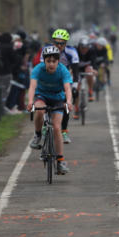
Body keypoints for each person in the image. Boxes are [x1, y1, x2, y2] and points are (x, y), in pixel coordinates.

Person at [27, 46, 73, 175]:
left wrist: (68, 102)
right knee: (40, 110)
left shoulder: (63, 71)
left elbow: (67, 88)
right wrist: (30, 101)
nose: (51, 64)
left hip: (58, 98)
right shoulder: (38, 69)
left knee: (57, 127)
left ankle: (60, 161)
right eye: (48, 61)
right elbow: (32, 87)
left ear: (58, 61)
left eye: (54, 61)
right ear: (44, 61)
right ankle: (37, 135)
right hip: (42, 95)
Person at [40, 28, 79, 144]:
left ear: (66, 44)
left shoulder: (71, 52)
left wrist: (75, 86)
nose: (59, 45)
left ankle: (64, 131)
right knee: (44, 101)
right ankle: (44, 124)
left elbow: (76, 71)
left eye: (62, 43)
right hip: (48, 78)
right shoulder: (46, 50)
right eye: (56, 43)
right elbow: (41, 68)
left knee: (66, 103)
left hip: (64, 79)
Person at [75, 37, 97, 118]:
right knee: (77, 88)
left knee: (90, 72)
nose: (84, 50)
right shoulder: (75, 51)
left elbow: (94, 62)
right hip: (77, 69)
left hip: (87, 68)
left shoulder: (92, 51)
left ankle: (90, 90)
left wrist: (94, 70)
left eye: (86, 48)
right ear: (79, 47)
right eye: (82, 48)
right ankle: (76, 108)